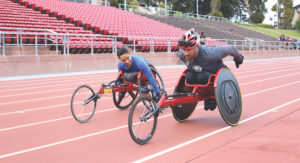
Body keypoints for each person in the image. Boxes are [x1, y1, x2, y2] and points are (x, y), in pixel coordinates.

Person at [177, 28, 244, 111]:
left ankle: (211, 96)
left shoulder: (210, 53)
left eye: (189, 50)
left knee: (203, 77)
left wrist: (239, 58)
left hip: (214, 74)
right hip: (199, 75)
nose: (186, 53)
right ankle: (206, 94)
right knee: (189, 77)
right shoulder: (181, 54)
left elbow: (231, 48)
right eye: (184, 50)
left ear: (197, 46)